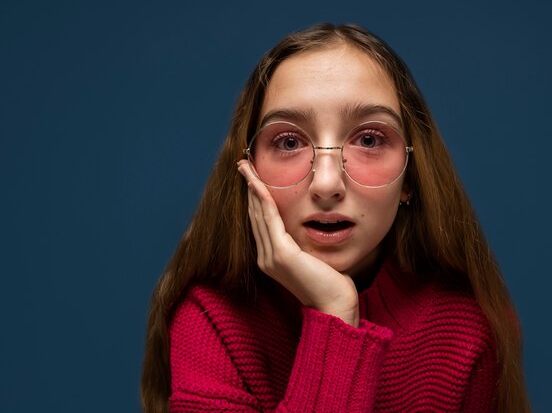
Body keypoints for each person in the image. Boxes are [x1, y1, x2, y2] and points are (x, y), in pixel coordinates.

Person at [141, 23, 530, 412]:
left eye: (369, 139)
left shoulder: (468, 330)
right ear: (248, 168)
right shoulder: (213, 322)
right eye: (289, 142)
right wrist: (336, 316)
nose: (327, 184)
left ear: (410, 177)